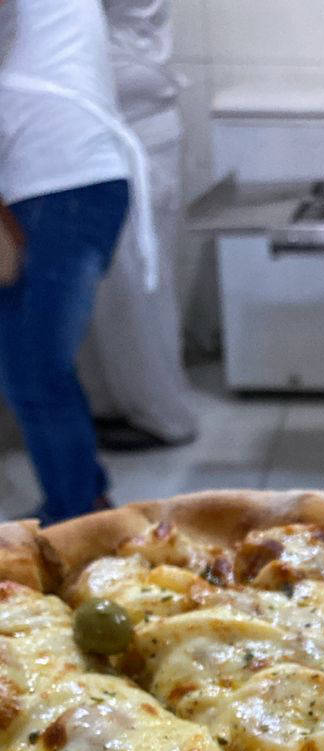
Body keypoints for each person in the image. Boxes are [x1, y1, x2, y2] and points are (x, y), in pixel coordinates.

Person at [0, 0, 154, 524]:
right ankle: (80, 506)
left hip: (64, 184)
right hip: (55, 180)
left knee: (35, 371)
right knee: (30, 369)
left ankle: (74, 520)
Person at [81, 0, 197, 450]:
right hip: (106, 122)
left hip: (135, 126)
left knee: (136, 285)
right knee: (106, 285)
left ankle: (163, 417)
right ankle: (112, 405)